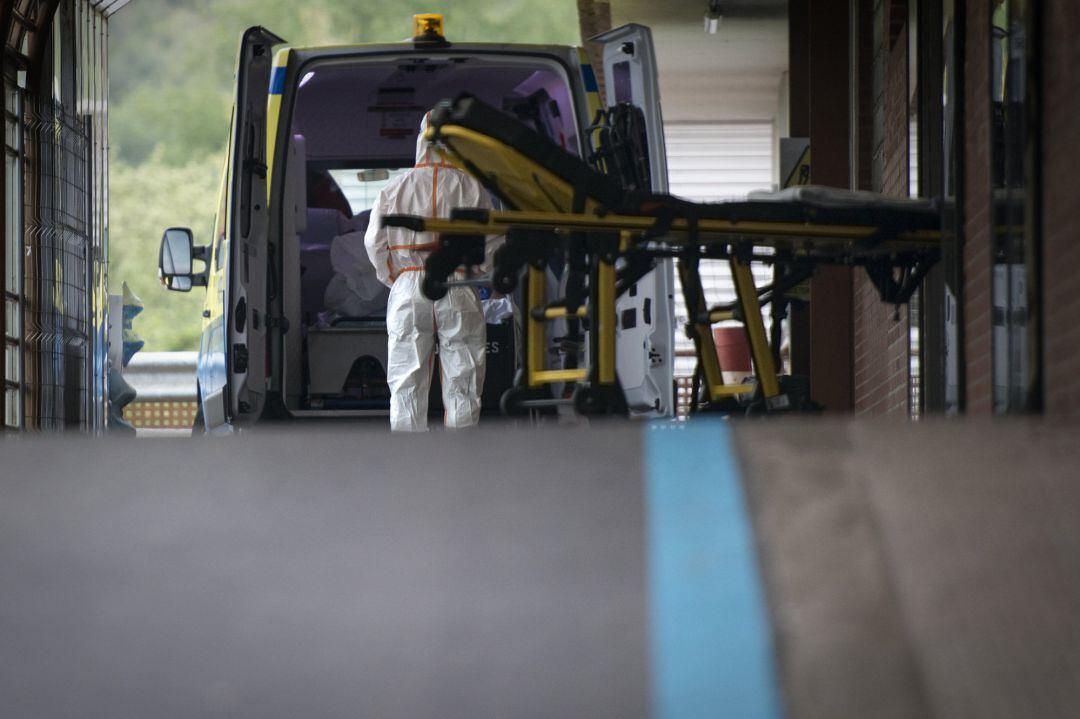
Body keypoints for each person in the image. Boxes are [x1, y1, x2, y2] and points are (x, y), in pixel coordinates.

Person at [365, 112, 499, 432]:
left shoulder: (395, 188)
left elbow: (374, 242)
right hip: (459, 284)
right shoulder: (473, 188)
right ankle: (463, 460)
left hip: (410, 283)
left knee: (406, 380)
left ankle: (410, 464)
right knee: (464, 378)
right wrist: (482, 273)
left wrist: (394, 278)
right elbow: (493, 239)